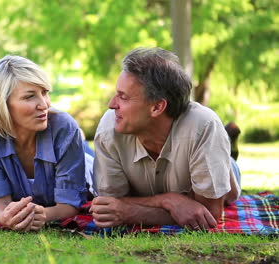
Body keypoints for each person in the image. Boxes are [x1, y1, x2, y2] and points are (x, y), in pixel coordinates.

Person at [90, 47, 241, 230]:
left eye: (123, 97)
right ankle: (225, 144)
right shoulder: (110, 129)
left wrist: (130, 211)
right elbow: (111, 207)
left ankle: (226, 151)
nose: (111, 105)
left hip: (219, 167)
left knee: (228, 168)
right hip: (186, 176)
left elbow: (209, 214)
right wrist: (170, 201)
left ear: (157, 107)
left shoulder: (203, 127)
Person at [0, 55, 94, 232]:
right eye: (30, 96)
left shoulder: (64, 127)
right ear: (2, 104)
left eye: (44, 93)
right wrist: (7, 218)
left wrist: (42, 216)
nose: (44, 104)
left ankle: (80, 141)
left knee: (80, 149)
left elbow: (70, 206)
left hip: (85, 164)